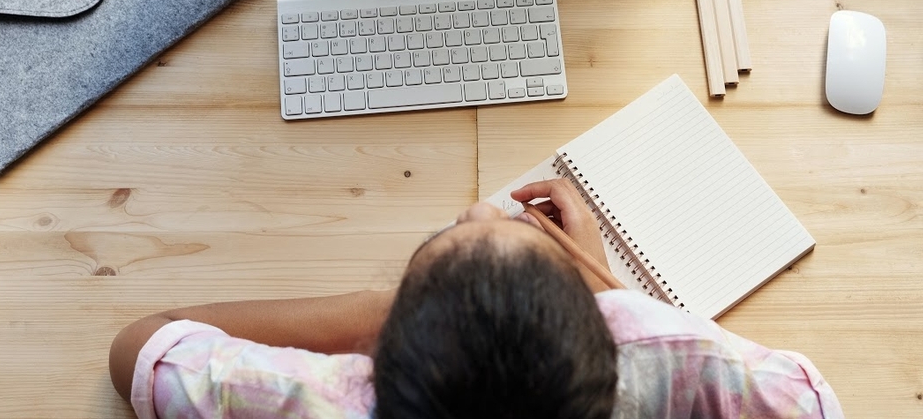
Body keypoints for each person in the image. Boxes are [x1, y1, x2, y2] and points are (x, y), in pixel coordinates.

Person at [110, 178, 845, 418]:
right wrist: (603, 286)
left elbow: (142, 346)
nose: (485, 211)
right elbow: (808, 400)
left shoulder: (327, 402)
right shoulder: (703, 371)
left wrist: (391, 313)